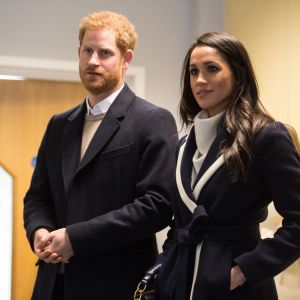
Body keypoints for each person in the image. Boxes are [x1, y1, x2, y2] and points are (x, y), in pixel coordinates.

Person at [23, 11, 178, 300]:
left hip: (116, 286)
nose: (93, 60)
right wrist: (39, 230)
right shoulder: (59, 125)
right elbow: (37, 197)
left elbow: (156, 206)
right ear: (78, 53)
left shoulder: (153, 120)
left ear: (126, 59)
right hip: (51, 285)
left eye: (105, 53)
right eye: (87, 51)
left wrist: (75, 239)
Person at [154, 32, 300, 300]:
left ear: (238, 74)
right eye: (193, 71)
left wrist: (244, 271)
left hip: (235, 285)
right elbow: (179, 223)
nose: (200, 80)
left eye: (212, 69)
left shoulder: (267, 136)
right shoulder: (183, 144)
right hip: (179, 281)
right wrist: (165, 266)